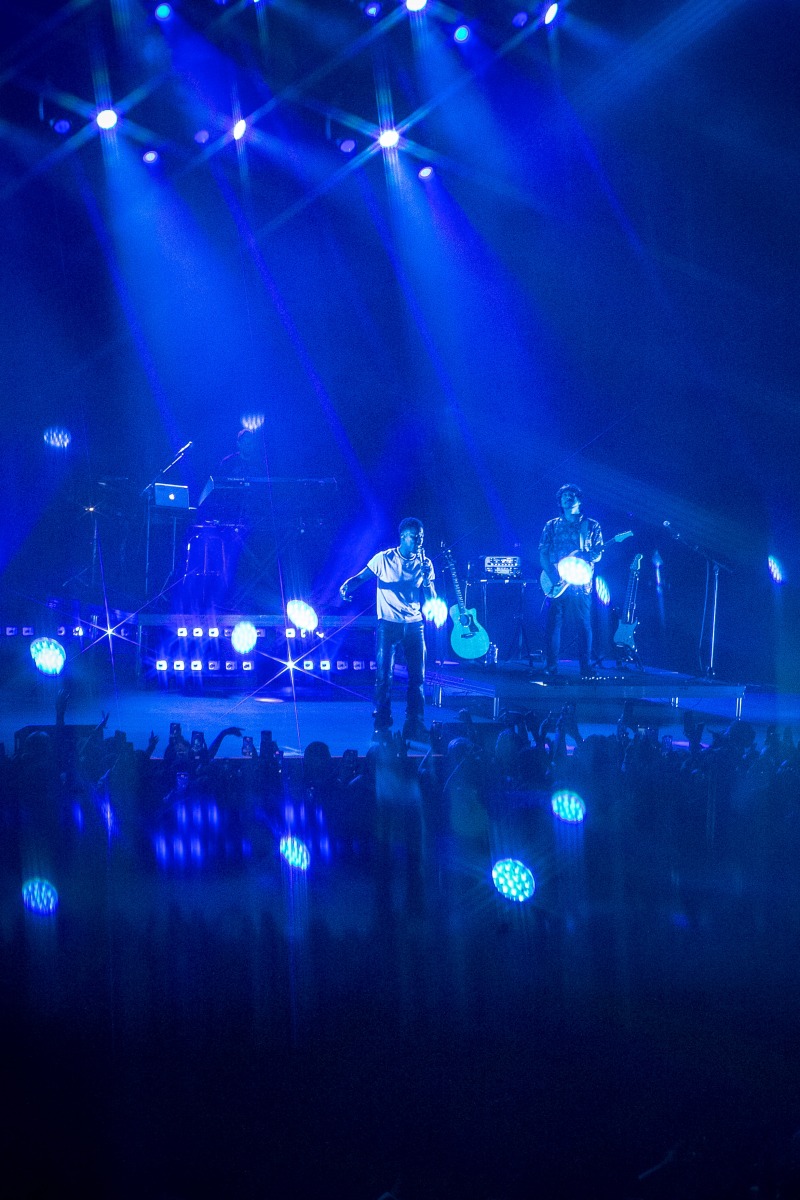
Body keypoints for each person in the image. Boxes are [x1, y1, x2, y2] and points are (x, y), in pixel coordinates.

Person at [340, 518, 439, 742]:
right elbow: (362, 576)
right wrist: (347, 586)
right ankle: (382, 725)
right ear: (403, 537)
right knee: (384, 676)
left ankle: (414, 723)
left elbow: (432, 599)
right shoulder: (384, 559)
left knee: (418, 677)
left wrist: (426, 580)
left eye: (421, 537)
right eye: (415, 537)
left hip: (414, 624)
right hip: (388, 624)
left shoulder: (425, 563)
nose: (419, 541)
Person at [539, 484, 603, 677]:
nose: (567, 497)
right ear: (560, 501)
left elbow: (598, 554)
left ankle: (586, 667)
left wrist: (591, 555)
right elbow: (543, 552)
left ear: (579, 500)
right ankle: (551, 666)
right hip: (557, 582)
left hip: (580, 583)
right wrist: (552, 575)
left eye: (571, 495)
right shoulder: (551, 525)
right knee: (553, 625)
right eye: (564, 495)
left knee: (583, 625)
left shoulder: (591, 525)